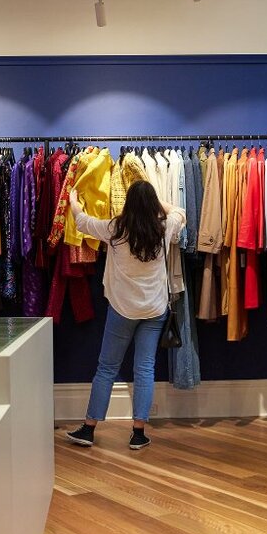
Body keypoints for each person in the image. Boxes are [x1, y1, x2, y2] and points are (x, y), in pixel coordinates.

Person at [66, 180, 186, 450]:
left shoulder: (116, 229)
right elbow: (180, 212)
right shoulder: (163, 229)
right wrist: (159, 204)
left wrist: (74, 200)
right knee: (144, 368)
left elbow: (82, 221)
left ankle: (89, 428)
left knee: (107, 367)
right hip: (154, 309)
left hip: (122, 309)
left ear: (128, 203)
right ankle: (138, 433)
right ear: (152, 205)